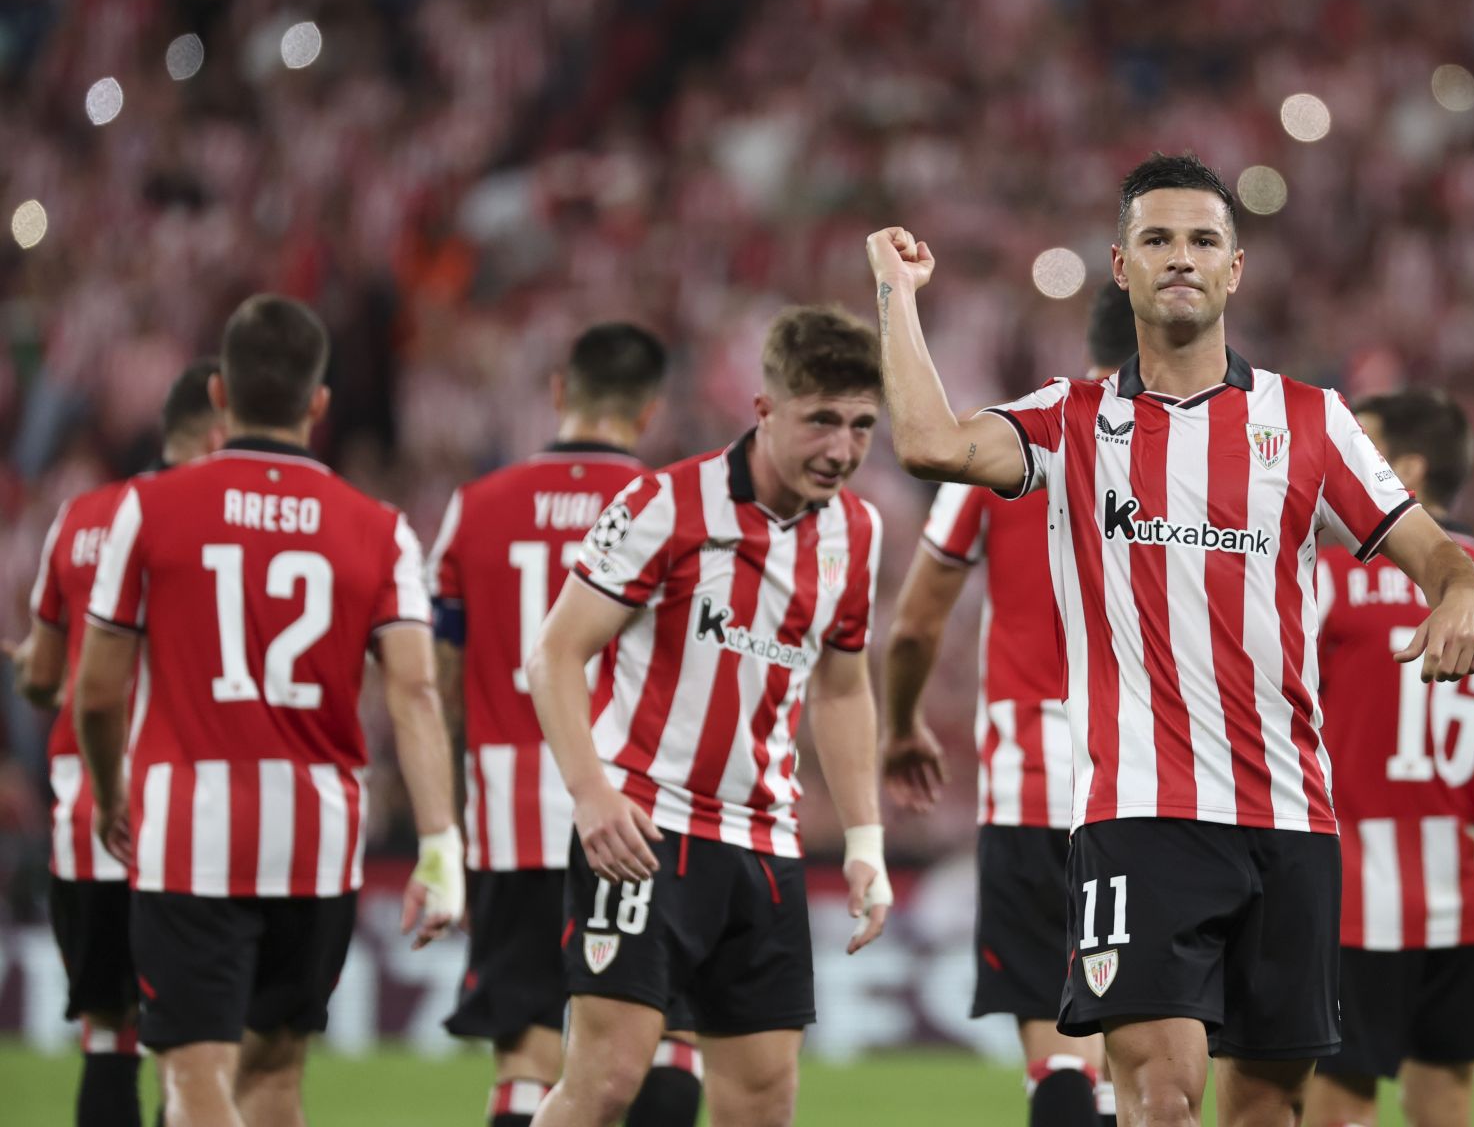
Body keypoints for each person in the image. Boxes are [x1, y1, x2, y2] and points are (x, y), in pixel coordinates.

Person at [866, 153, 1474, 1127]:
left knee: (1267, 1109)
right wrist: (895, 294)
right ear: (1121, 264)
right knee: (1160, 1095)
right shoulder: (1069, 420)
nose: (1182, 257)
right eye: (1157, 238)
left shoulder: (1311, 420)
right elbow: (927, 441)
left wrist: (1461, 597)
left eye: (1204, 239)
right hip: (1140, 814)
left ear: (1236, 269)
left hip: (1289, 818)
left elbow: (1434, 552)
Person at [73, 294, 464, 1127]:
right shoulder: (380, 529)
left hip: (187, 824)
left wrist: (110, 795)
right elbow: (416, 691)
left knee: (194, 1077)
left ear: (219, 396)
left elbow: (98, 692)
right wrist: (439, 843)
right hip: (318, 836)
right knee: (277, 1076)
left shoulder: (147, 510)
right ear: (318, 404)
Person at [526, 306, 894, 1127]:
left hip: (764, 845)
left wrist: (865, 841)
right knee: (607, 1081)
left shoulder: (858, 533)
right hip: (645, 833)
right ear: (764, 410)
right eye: (822, 421)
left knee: (764, 1099)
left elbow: (841, 688)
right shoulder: (665, 505)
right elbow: (551, 654)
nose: (843, 449)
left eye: (863, 425)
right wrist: (591, 794)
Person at [429, 321, 704, 1127]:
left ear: (559, 392)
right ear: (649, 411)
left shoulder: (474, 508)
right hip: (636, 811)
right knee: (662, 1033)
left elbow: (442, 676)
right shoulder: (674, 509)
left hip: (511, 815)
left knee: (527, 1052)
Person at [882, 282, 1136, 1127]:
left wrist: (902, 724)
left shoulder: (1009, 440)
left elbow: (915, 624)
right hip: (1154, 788)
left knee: (1060, 1055)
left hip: (1031, 787)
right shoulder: (1204, 447)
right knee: (1148, 1062)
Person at [1304, 389, 1474, 1127]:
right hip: (1465, 905)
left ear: (1408, 472)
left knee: (1336, 1108)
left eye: (1363, 451)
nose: (1343, 468)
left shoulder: (1329, 583)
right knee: (1445, 1111)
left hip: (1350, 900)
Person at [9, 359, 224, 1126]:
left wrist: (39, 675)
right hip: (184, 819)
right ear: (220, 427)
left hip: (84, 821)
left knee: (108, 1036)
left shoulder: (80, 518)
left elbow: (38, 677)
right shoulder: (217, 524)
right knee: (191, 1051)